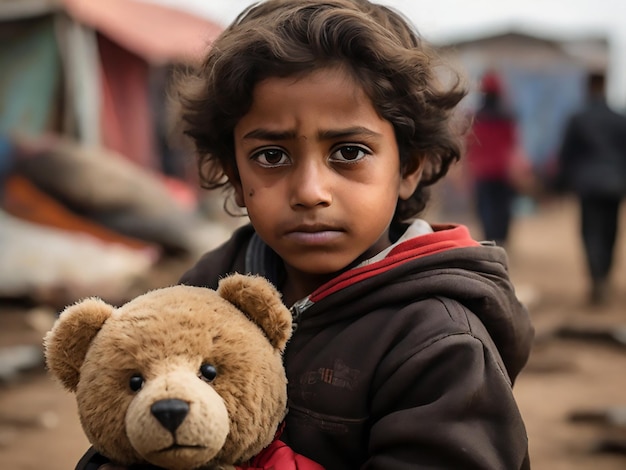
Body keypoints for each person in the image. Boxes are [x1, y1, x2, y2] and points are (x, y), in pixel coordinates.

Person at [93, 0, 534, 468]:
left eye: (348, 151)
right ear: (236, 176)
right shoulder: (206, 288)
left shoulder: (438, 344)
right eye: (271, 156)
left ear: (407, 167)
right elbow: (119, 433)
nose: (309, 192)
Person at [554, 72, 626, 305]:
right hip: (615, 184)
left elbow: (566, 154)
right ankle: (603, 275)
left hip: (587, 185)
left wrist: (560, 183)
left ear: (588, 87)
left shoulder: (578, 118)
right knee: (610, 232)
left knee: (590, 232)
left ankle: (597, 277)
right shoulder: (619, 118)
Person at [465, 70, 529, 248]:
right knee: (503, 209)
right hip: (503, 171)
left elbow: (470, 144)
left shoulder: (475, 117)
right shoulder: (508, 116)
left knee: (485, 208)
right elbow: (514, 145)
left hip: (482, 171)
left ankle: (490, 240)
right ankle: (501, 241)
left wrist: (466, 169)